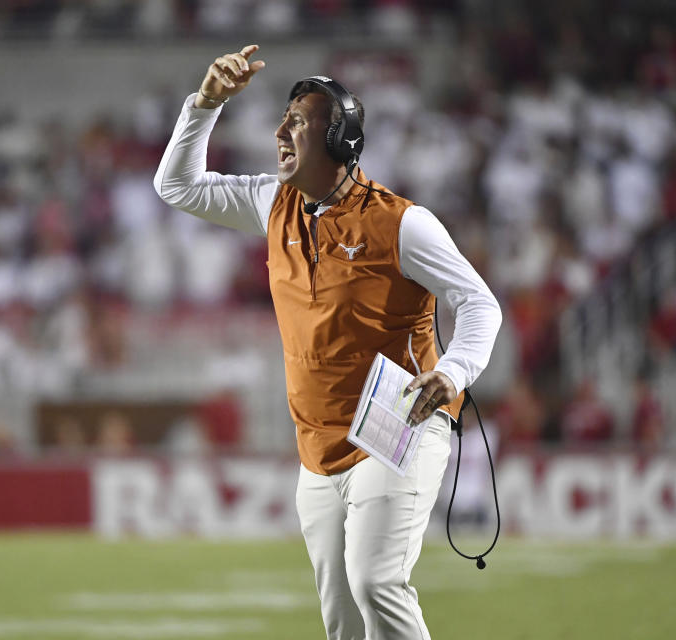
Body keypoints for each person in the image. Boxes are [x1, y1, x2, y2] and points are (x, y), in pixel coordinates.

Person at [155, 44, 502, 640]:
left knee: (375, 583)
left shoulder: (402, 223)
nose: (280, 131)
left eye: (298, 121)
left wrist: (454, 371)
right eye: (283, 119)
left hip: (401, 423)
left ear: (340, 142)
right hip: (317, 443)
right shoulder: (273, 201)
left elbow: (478, 302)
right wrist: (206, 103)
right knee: (341, 619)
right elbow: (176, 186)